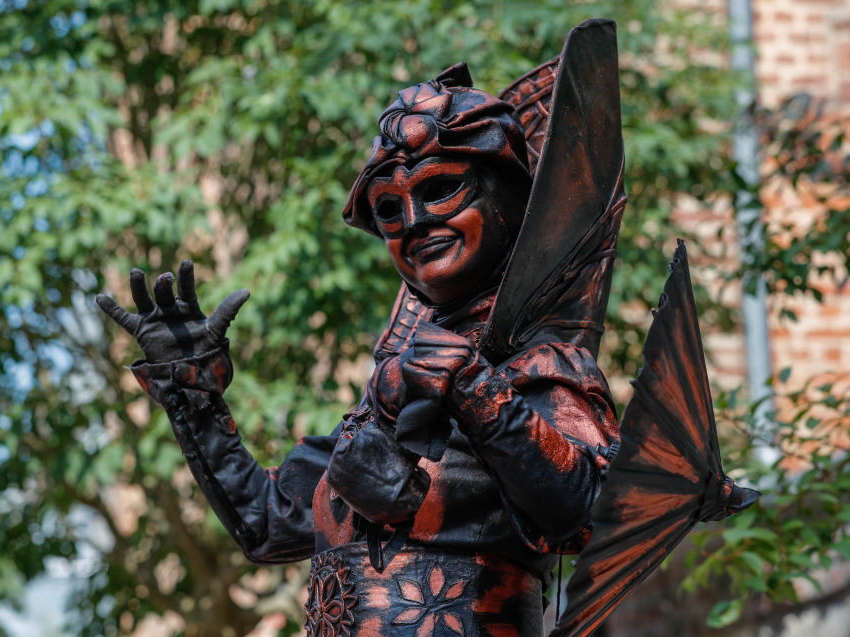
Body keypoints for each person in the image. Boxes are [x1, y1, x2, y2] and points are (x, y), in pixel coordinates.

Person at [98, 54, 620, 637]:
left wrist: (476, 391)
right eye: (391, 210)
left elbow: (597, 517)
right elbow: (268, 525)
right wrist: (190, 390)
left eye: (441, 190)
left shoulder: (543, 368)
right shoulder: (381, 401)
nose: (416, 223)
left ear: (512, 203)